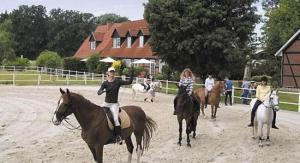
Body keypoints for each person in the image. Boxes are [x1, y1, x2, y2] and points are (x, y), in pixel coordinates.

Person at [97, 66, 133, 144]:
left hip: (114, 105)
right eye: (111, 72)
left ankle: (118, 137)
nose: (112, 73)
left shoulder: (118, 81)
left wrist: (131, 73)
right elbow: (98, 92)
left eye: (113, 72)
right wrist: (101, 92)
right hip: (106, 103)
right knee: (99, 115)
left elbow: (129, 82)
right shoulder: (105, 83)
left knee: (116, 119)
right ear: (108, 73)